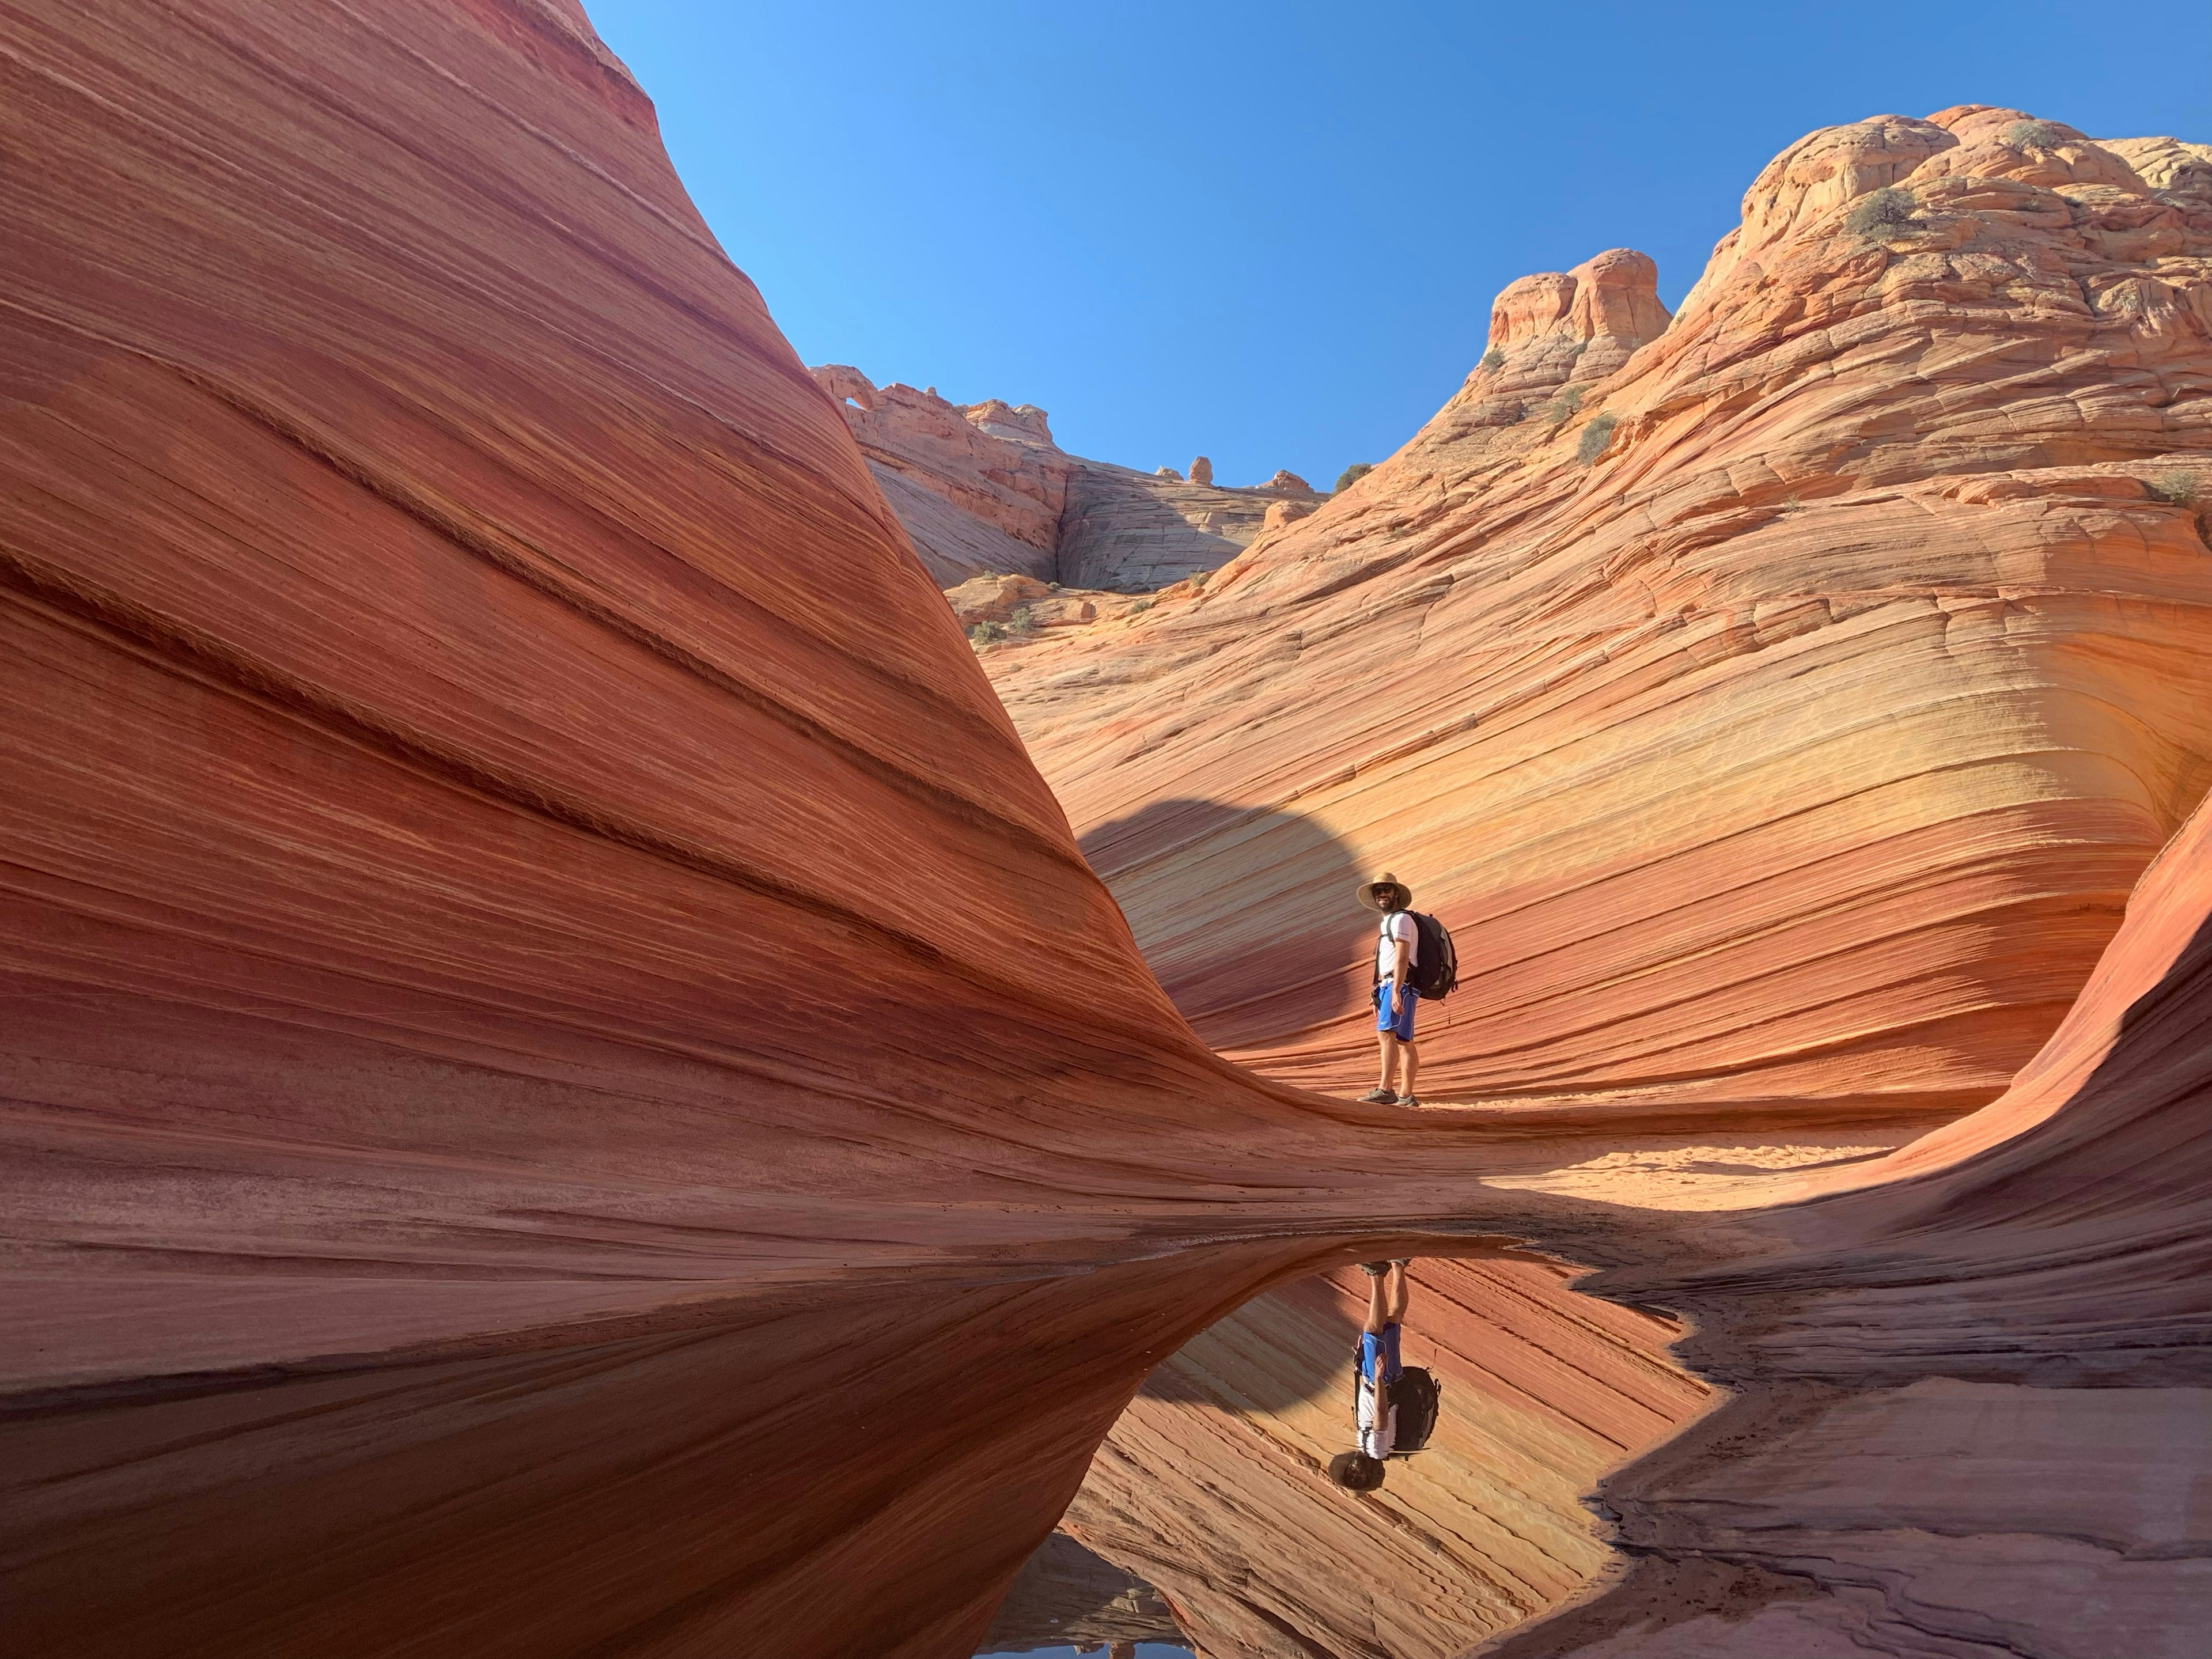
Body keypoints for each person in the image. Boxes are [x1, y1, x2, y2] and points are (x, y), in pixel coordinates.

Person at [1328, 1257, 1412, 1491]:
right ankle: (1377, 1274)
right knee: (1373, 1330)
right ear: (1369, 1474)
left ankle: (1399, 1266)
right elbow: (1381, 1414)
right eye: (1358, 1475)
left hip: (1385, 1381)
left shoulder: (1376, 1451)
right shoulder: (1375, 1450)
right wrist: (1376, 1377)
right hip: (1380, 1381)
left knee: (1393, 1321)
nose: (1355, 1469)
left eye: (1350, 1473)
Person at [1356, 871, 1420, 1106]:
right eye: (1378, 891)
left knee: (1386, 1034)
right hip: (1394, 984)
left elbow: (1402, 957)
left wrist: (1395, 990)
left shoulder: (1401, 919)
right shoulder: (1389, 922)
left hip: (1399, 984)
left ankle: (1386, 1090)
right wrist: (1378, 992)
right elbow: (1388, 959)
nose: (1382, 894)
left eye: (1387, 890)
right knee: (1404, 1040)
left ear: (1396, 894)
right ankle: (1407, 1095)